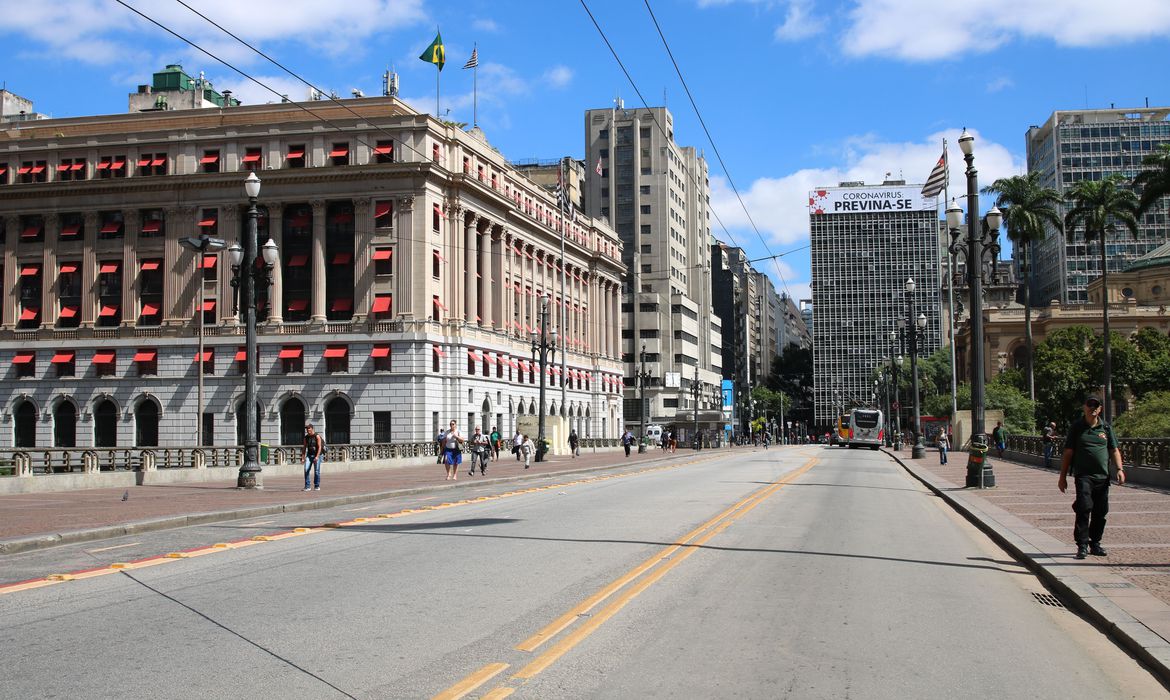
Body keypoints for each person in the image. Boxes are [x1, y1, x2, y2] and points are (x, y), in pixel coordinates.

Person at [1058, 396, 1125, 560]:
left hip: (1102, 477)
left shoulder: (1106, 428)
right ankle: (1082, 545)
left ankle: (1095, 543)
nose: (1093, 408)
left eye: (1096, 406)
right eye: (1090, 405)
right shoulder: (1077, 427)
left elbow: (1114, 450)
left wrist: (1120, 469)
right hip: (1083, 476)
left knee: (1100, 512)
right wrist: (1062, 477)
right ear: (1084, 407)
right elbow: (1068, 453)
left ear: (1100, 409)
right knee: (1084, 508)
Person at [302, 423, 325, 492]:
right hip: (309, 455)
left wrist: (317, 456)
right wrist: (303, 457)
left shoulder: (317, 436)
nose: (307, 430)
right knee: (306, 470)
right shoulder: (306, 437)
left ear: (312, 428)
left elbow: (320, 447)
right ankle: (307, 486)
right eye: (307, 429)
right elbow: (304, 447)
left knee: (316, 471)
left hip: (317, 455)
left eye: (309, 428)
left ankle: (317, 486)